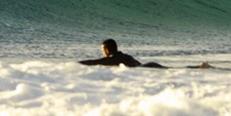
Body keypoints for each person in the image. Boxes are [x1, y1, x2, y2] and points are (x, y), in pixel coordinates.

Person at [79, 39, 212, 69]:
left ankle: (199, 67)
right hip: (149, 66)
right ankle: (199, 67)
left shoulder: (114, 59)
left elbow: (96, 61)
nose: (103, 52)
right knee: (173, 69)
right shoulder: (123, 56)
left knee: (173, 70)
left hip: (147, 68)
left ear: (107, 49)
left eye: (103, 49)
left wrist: (78, 64)